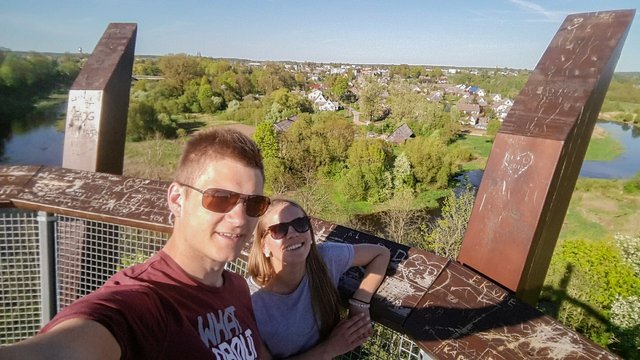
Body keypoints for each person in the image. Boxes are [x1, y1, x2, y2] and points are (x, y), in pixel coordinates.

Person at [0, 128, 272, 359]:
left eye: (253, 203)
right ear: (177, 199)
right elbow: (71, 343)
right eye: (221, 198)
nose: (239, 219)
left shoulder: (236, 288)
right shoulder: (145, 302)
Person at [247, 199, 391, 359]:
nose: (293, 234)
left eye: (300, 224)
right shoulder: (249, 302)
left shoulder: (325, 258)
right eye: (279, 230)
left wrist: (360, 302)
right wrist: (330, 348)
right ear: (264, 246)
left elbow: (381, 254)